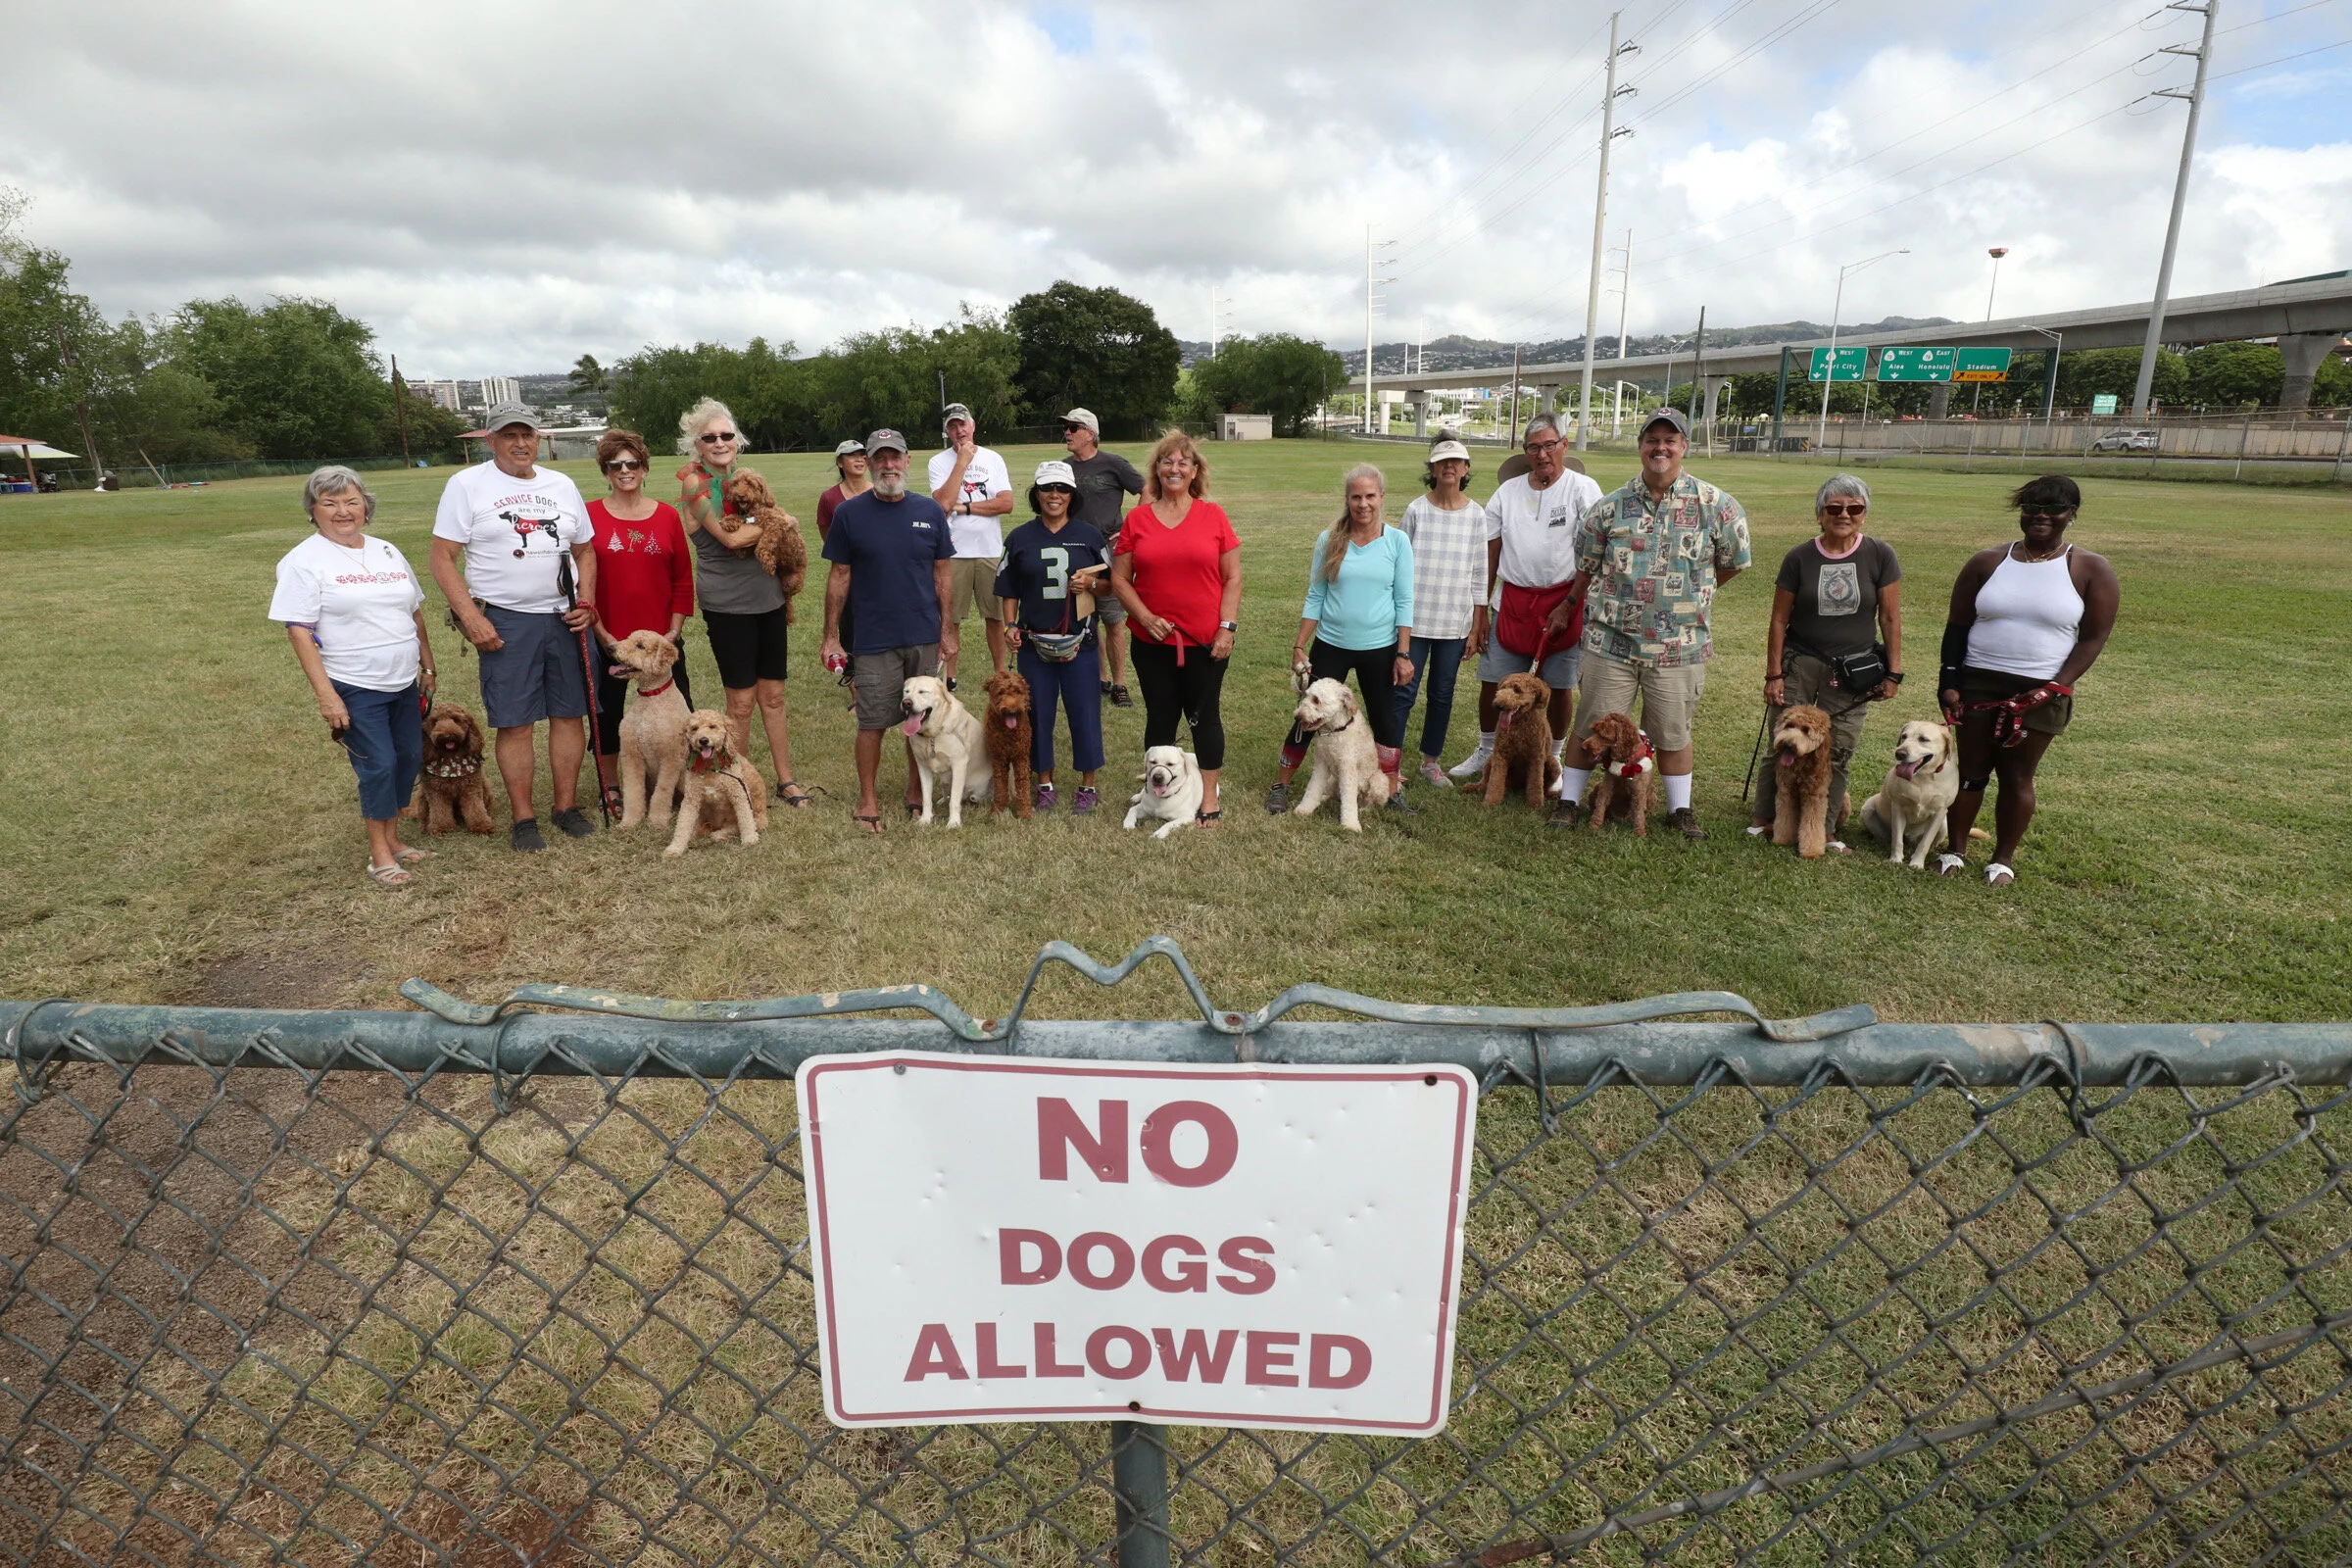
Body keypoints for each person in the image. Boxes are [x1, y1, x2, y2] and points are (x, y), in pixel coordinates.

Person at [1551, 407, 1749, 841]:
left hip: (1679, 646)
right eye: (1652, 440)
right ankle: (1568, 802)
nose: (1660, 448)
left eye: (1670, 440)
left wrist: (1692, 597)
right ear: (1641, 447)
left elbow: (1732, 563)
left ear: (1684, 447)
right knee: (1591, 727)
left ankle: (1680, 811)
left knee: (1672, 732)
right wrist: (1567, 605)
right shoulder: (1609, 508)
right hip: (1611, 642)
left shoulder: (1717, 506)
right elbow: (1586, 567)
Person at [427, 401, 598, 852]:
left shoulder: (561, 484)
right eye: (509, 435)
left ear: (538, 438)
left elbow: (585, 550)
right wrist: (472, 618)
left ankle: (566, 808)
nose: (520, 443)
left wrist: (587, 600)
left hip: (564, 616)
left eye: (528, 435)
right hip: (504, 619)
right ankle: (524, 818)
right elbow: (442, 557)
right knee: (515, 721)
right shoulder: (466, 484)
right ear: (491, 440)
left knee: (569, 714)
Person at [1936, 474, 2119, 886]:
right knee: (1971, 772)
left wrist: (2057, 685)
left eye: (2053, 509)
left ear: (2070, 515)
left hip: (2041, 690)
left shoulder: (2090, 568)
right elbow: (1957, 626)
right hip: (1978, 681)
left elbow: (2093, 638)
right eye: (2031, 507)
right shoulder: (1987, 562)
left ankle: (2002, 859)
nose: (2040, 516)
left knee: (2018, 775)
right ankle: (1955, 849)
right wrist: (1949, 680)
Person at [272, 466, 437, 887]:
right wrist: (328, 697)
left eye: (351, 501)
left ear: (366, 506)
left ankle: (395, 839)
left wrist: (428, 664)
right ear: (313, 510)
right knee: (378, 765)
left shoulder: (386, 551)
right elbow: (299, 631)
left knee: (408, 759)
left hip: (402, 679)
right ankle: (380, 855)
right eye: (330, 503)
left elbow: (414, 611)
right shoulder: (304, 561)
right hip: (354, 684)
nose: (342, 511)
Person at [1746, 474, 1901, 852]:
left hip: (1854, 670)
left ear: (1864, 515)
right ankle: (1765, 817)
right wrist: (1774, 673)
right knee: (1782, 743)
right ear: (1820, 514)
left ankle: (1826, 828)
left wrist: (1894, 671)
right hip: (1801, 661)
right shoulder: (1799, 557)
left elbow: (1890, 618)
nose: (1844, 514)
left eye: (1854, 508)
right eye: (1834, 508)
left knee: (1840, 750)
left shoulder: (1880, 554)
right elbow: (1779, 619)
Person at [1448, 414, 1601, 782]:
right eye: (1534, 447)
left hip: (1565, 600)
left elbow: (1595, 550)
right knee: (1495, 680)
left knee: (1560, 684)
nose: (1543, 453)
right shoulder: (1508, 492)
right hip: (1513, 601)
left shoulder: (1583, 488)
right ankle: (1488, 749)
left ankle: (1554, 757)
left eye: (1550, 444)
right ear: (1525, 451)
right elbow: (1491, 554)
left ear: (1564, 445)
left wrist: (1570, 604)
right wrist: (1481, 611)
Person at [820, 429, 958, 834]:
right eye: (880, 458)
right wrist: (831, 635)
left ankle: (916, 792)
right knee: (872, 721)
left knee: (920, 718)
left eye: (894, 457)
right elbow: (839, 574)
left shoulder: (930, 511)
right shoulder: (850, 513)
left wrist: (947, 630)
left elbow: (942, 572)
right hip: (874, 636)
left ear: (907, 460)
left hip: (922, 633)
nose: (888, 465)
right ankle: (868, 799)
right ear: (870, 462)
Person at [678, 398, 808, 808]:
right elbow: (732, 539)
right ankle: (740, 782)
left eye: (726, 435)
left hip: (767, 599)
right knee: (741, 700)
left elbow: (768, 526)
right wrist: (780, 522)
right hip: (728, 605)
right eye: (709, 437)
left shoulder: (747, 480)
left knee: (774, 696)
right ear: (696, 445)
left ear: (737, 440)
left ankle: (786, 780)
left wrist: (777, 523)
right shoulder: (694, 485)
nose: (720, 442)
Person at [1266, 464, 1417, 814]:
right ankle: (1281, 785)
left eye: (1369, 496)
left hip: (1380, 648)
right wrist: (1299, 645)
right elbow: (1315, 596)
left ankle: (1392, 791)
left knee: (1385, 721)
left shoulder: (1397, 542)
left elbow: (1405, 600)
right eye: (1355, 497)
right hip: (1331, 644)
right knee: (1306, 716)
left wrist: (1403, 653)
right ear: (1347, 499)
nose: (1363, 504)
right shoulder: (1330, 539)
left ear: (1381, 497)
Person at [1112, 431, 1242, 826]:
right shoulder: (1137, 519)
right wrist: (1146, 617)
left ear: (1195, 471)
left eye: (1183, 462)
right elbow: (1120, 579)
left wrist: (1227, 627)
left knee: (1204, 718)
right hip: (1151, 644)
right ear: (1156, 470)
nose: (1175, 468)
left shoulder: (1213, 515)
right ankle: (1159, 790)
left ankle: (1208, 798)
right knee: (1160, 719)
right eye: (1167, 461)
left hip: (1206, 642)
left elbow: (1233, 577)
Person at [997, 460, 1109, 813]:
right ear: (1037, 493)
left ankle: (1087, 787)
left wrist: (1090, 583)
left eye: (1062, 489)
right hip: (1035, 644)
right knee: (1037, 715)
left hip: (1081, 643)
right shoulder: (1019, 537)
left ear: (1072, 495)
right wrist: (1010, 626)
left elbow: (1113, 584)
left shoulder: (1090, 535)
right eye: (1047, 488)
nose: (1054, 495)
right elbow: (1009, 588)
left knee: (1085, 713)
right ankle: (1043, 782)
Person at [588, 429, 694, 790]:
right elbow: (582, 581)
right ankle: (611, 786)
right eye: (615, 465)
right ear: (605, 472)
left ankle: (685, 780)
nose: (625, 470)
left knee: (680, 710)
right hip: (610, 636)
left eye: (632, 463)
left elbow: (682, 580)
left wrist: (672, 635)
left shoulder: (666, 516)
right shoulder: (588, 516)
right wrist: (602, 634)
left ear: (645, 468)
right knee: (608, 713)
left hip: (660, 640)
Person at [1395, 438, 1485, 789]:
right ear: (1432, 470)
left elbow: (1480, 573)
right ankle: (1392, 761)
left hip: (1455, 623)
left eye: (1457, 461)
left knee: (1442, 694)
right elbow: (1399, 567)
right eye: (1442, 461)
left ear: (1465, 470)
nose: (1449, 466)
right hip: (1415, 622)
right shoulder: (1417, 510)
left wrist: (1476, 627)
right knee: (1403, 690)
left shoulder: (1477, 514)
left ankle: (1431, 762)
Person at [1062, 407, 1144, 709]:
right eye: (1066, 427)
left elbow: (1147, 491)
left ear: (1091, 434)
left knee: (1112, 619)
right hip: (1075, 550)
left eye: (1073, 427)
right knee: (1086, 617)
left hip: (1109, 552)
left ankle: (1120, 684)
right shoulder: (1063, 467)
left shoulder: (1112, 463)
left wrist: (1128, 529)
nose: (1067, 433)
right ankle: (1099, 678)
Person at [928, 403, 1013, 688]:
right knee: (951, 618)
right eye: (952, 426)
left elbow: (1006, 503)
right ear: (947, 432)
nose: (959, 430)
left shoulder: (993, 459)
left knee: (995, 616)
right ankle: (950, 675)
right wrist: (962, 461)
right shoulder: (938, 462)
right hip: (954, 551)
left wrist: (964, 508)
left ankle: (1000, 673)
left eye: (962, 424)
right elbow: (942, 504)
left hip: (989, 549)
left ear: (973, 426)